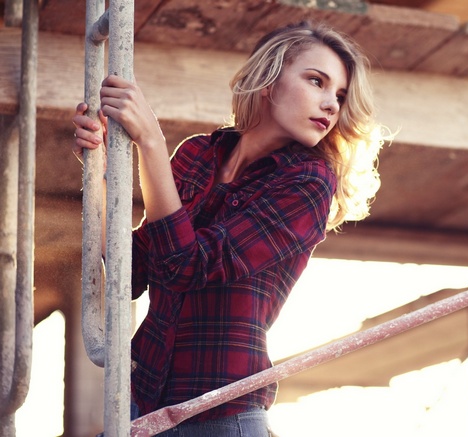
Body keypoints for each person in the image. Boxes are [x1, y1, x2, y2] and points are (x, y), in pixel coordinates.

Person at [71, 21, 388, 436]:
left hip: (222, 414)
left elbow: (188, 266)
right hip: (142, 403)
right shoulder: (198, 155)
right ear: (270, 81)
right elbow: (135, 271)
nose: (331, 104)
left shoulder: (310, 184)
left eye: (340, 96)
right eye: (316, 81)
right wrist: (98, 172)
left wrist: (150, 141)